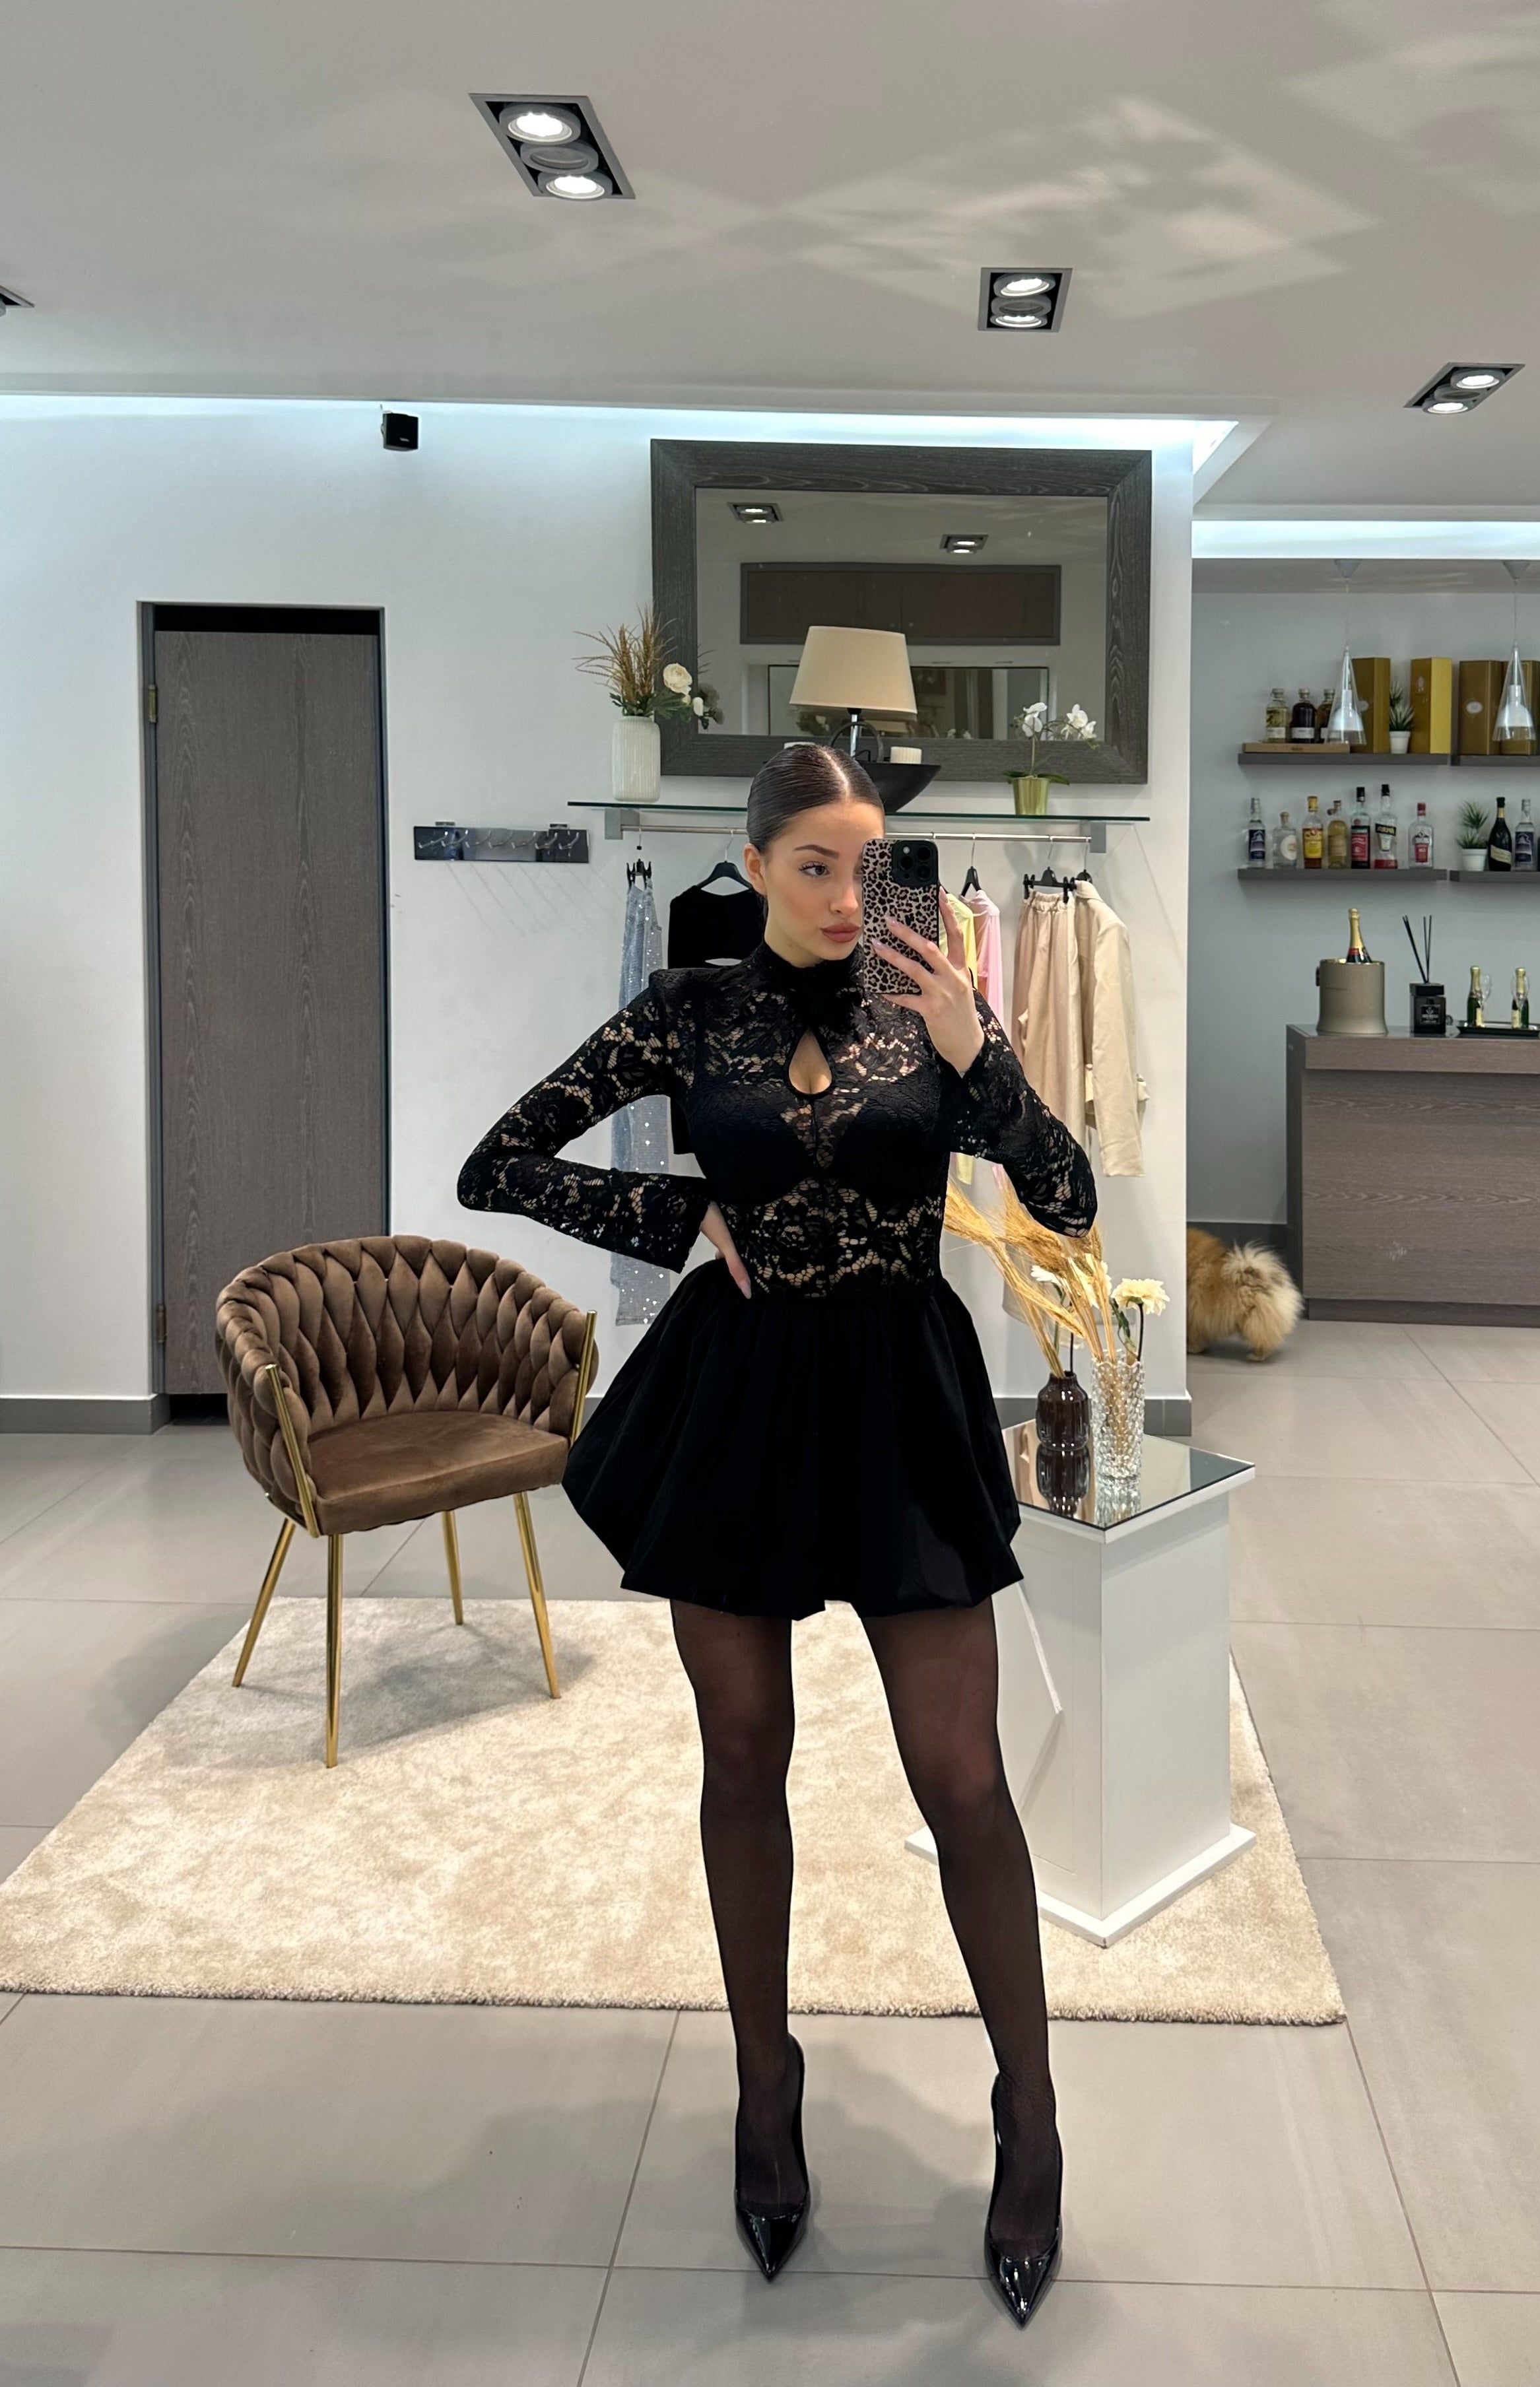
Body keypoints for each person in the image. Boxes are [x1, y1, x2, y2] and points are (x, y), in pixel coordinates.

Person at [457, 743, 1097, 2326]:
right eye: (813, 863)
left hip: (900, 1402)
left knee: (962, 1777)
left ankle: (1030, 2108)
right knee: (743, 1759)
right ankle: (766, 2083)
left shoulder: (936, 1007)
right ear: (752, 867)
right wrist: (676, 1215)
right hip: (739, 1400)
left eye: (867, 864)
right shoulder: (688, 1007)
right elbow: (499, 1160)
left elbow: (1069, 1194)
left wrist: (982, 1057)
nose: (844, 894)